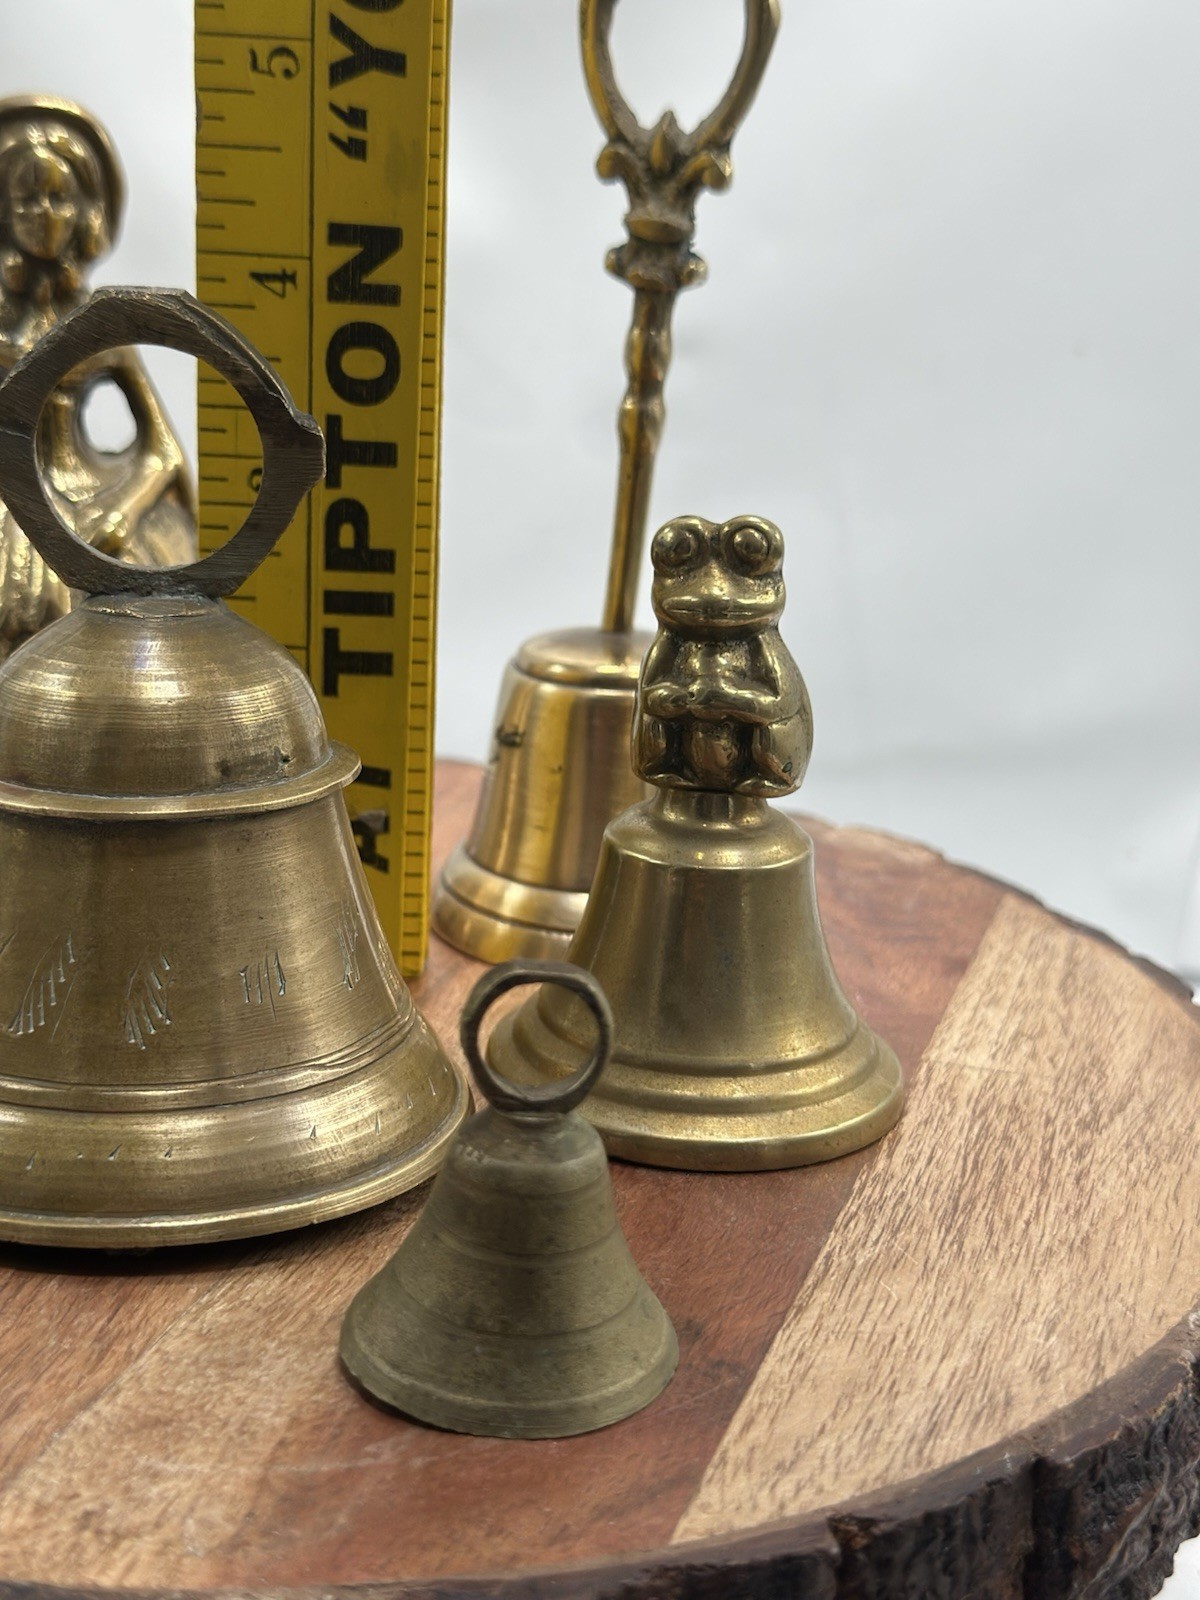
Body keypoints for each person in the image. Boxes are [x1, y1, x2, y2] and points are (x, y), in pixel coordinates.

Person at [0, 96, 195, 659]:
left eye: (59, 197)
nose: (44, 214)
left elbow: (165, 455)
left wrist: (123, 510)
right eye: (27, 198)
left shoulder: (102, 329)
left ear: (85, 210)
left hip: (91, 500)